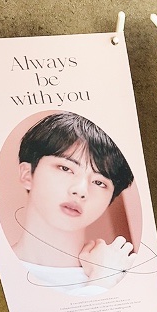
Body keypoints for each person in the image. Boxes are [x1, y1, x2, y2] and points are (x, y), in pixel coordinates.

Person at [12, 111, 136, 296]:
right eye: (65, 168)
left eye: (99, 182)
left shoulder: (120, 272)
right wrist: (102, 282)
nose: (81, 190)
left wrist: (106, 276)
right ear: (27, 175)